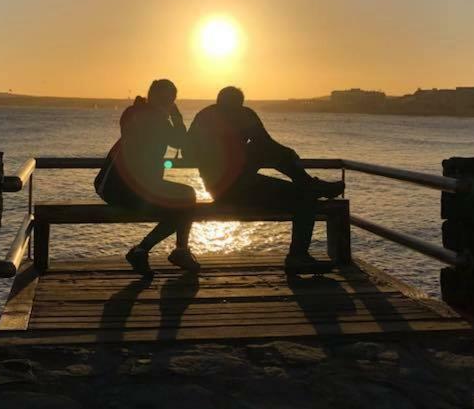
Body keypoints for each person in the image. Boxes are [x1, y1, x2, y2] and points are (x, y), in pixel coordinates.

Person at [185, 86, 343, 273]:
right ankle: (297, 256)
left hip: (234, 184)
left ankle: (310, 185)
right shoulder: (217, 117)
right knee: (305, 197)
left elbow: (265, 143)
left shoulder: (220, 115)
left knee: (271, 152)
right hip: (231, 189)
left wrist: (282, 152)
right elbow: (265, 143)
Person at [95, 79, 200, 276]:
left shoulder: (135, 112)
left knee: (182, 203)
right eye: (167, 99)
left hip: (121, 184)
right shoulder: (153, 119)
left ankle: (152, 251)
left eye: (171, 100)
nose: (169, 103)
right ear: (155, 98)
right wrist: (176, 118)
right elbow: (181, 144)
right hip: (121, 186)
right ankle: (172, 251)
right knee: (185, 200)